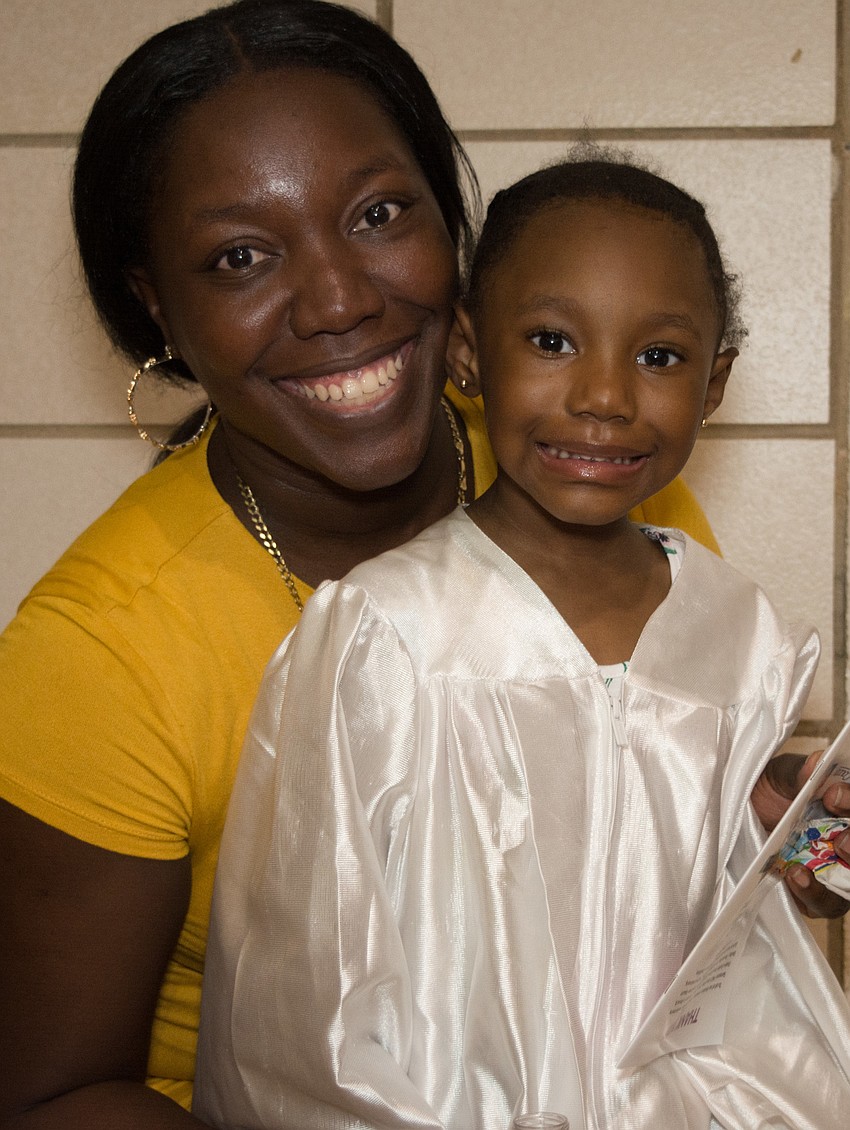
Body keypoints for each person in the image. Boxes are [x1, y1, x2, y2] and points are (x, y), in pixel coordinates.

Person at [0, 1, 845, 1126]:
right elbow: (52, 1091)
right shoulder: (99, 653)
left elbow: (621, 801)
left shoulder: (598, 480)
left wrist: (749, 820)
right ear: (161, 305)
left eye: (378, 213)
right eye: (241, 254)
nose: (340, 298)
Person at [193, 156, 850, 1130]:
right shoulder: (387, 634)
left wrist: (801, 847)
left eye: (659, 357)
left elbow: (715, 907)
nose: (604, 396)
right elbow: (298, 1001)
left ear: (715, 383)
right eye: (551, 340)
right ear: (466, 352)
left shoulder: (742, 632)